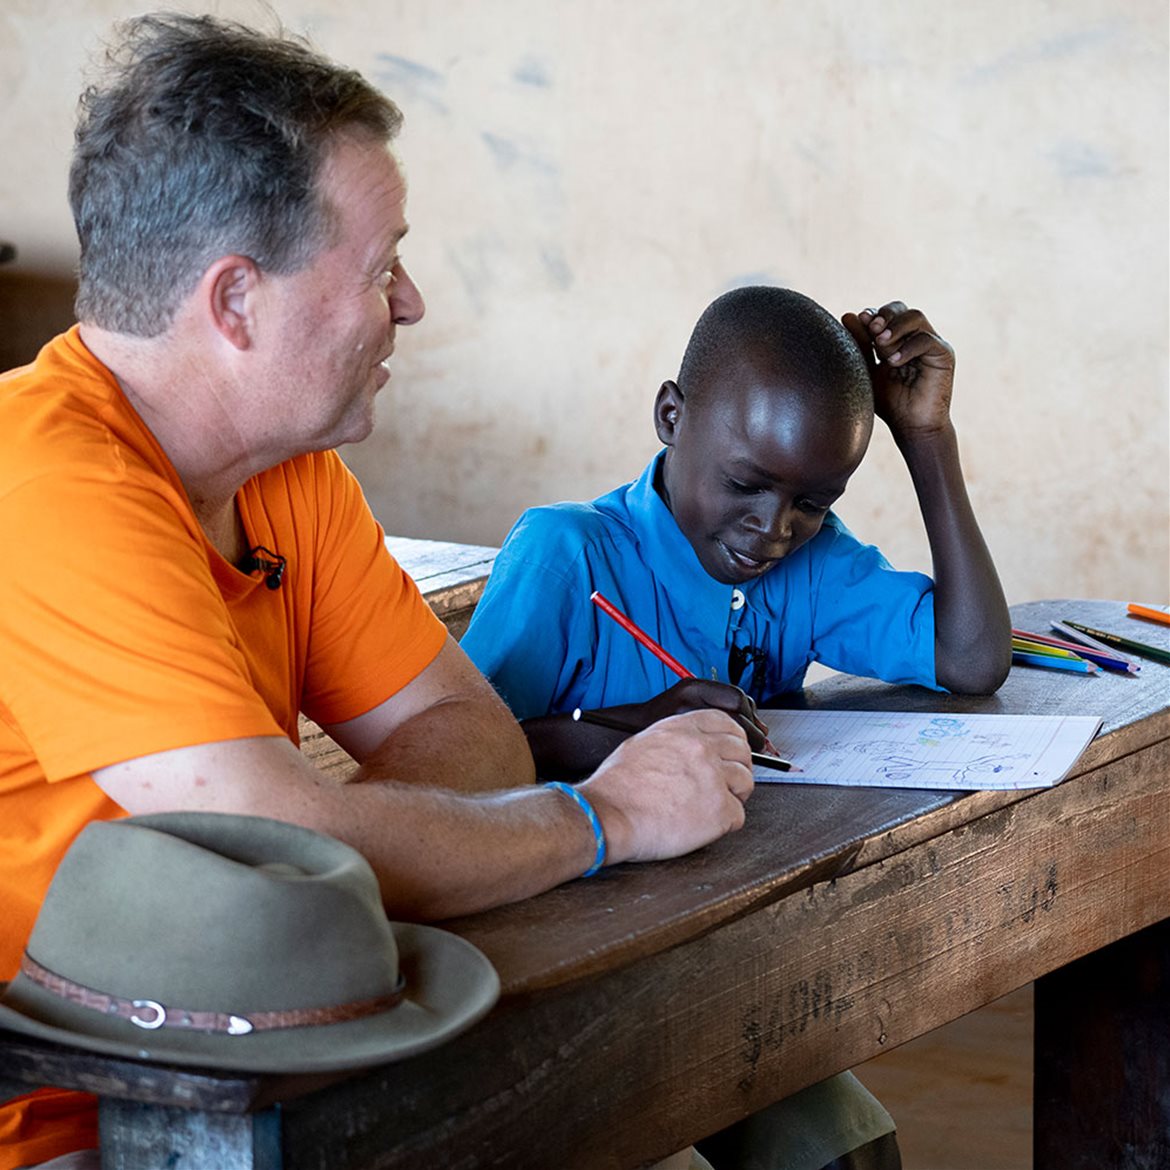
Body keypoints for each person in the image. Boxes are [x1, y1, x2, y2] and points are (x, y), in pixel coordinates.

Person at [0, 16, 756, 1169]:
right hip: (74, 1112)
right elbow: (276, 841)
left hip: (296, 1043)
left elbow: (468, 737)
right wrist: (603, 820)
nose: (409, 303)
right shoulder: (44, 481)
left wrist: (347, 850)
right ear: (236, 302)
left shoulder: (287, 470)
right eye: (379, 264)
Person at [461, 284, 1013, 1168]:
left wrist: (929, 444)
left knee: (847, 1154)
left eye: (814, 502)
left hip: (728, 954)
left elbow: (974, 658)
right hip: (553, 963)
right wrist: (623, 727)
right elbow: (459, 765)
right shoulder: (567, 554)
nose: (773, 530)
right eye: (747, 486)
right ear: (671, 417)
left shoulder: (807, 563)